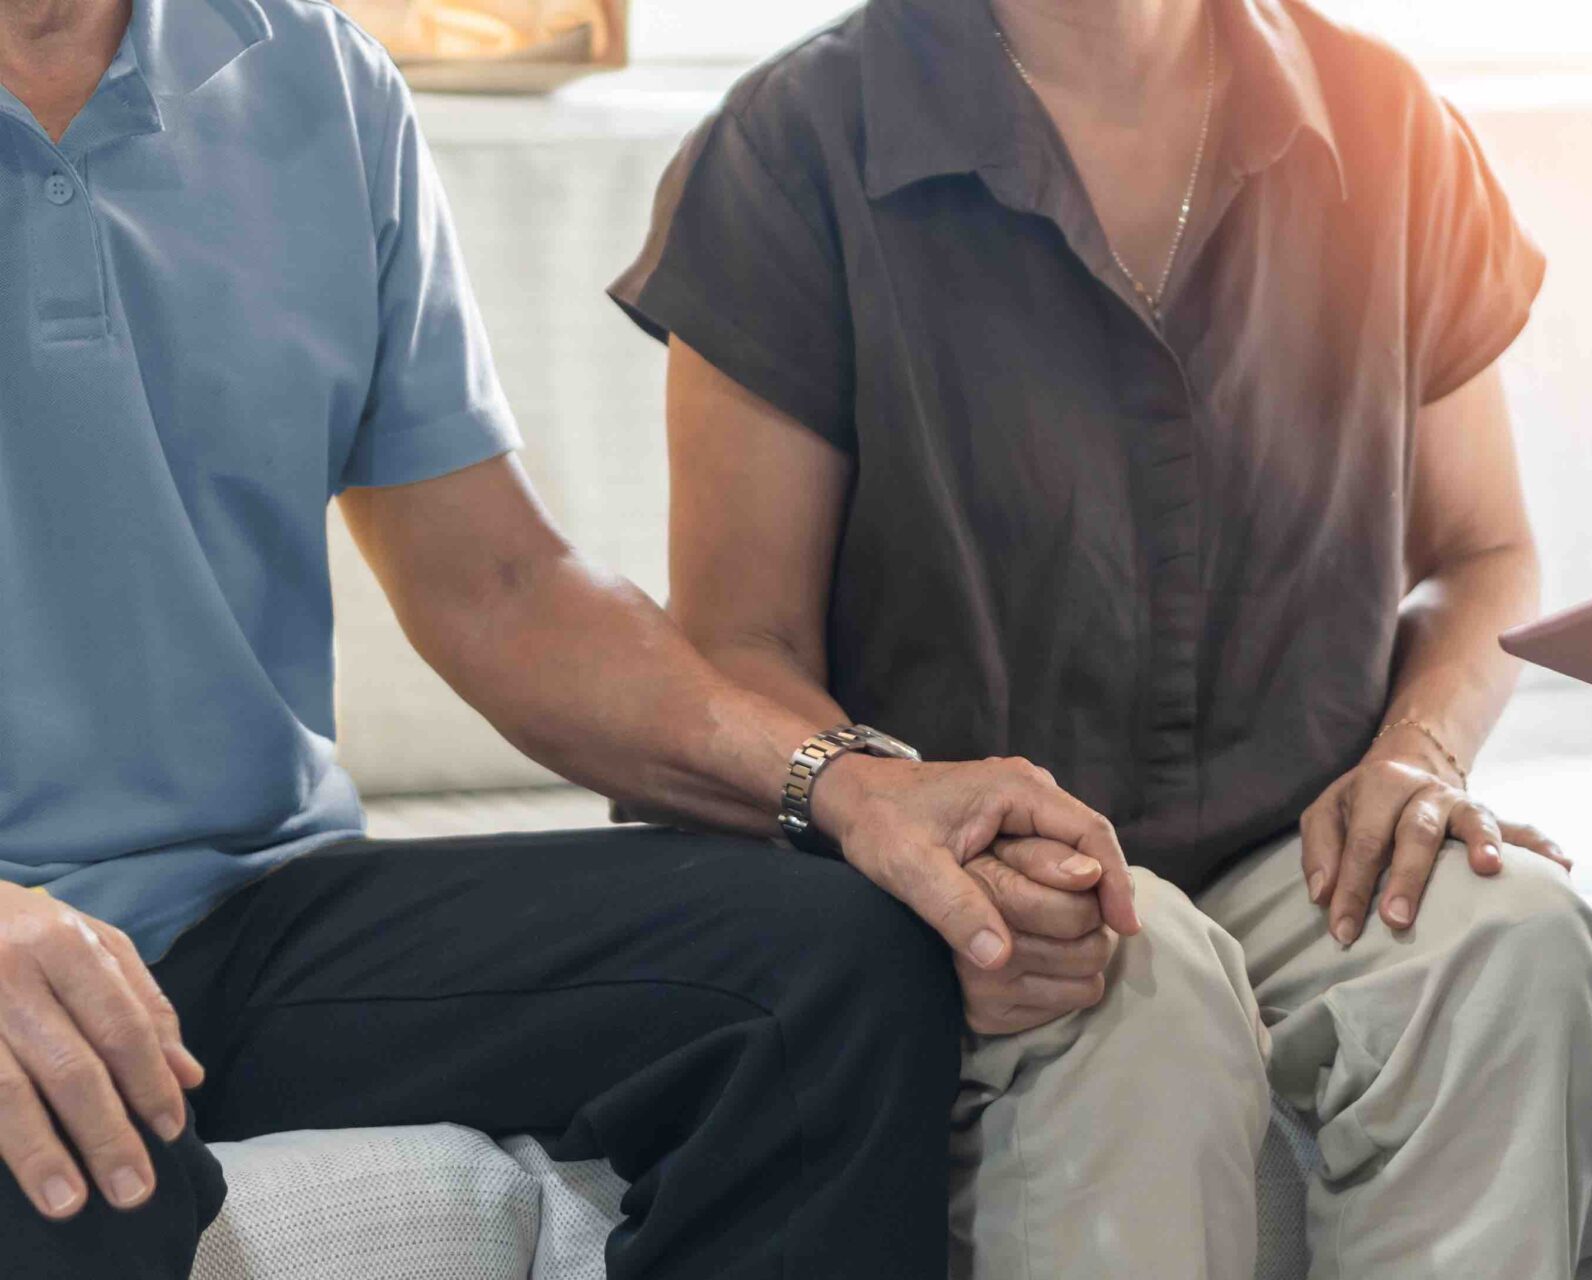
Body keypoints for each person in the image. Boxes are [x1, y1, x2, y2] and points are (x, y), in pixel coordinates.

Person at [0, 0, 1145, 1273]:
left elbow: (501, 585)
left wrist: (849, 787)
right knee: (72, 1164)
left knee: (833, 966)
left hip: (247, 914)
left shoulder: (314, 73)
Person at [607, 0, 1592, 1273]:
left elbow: (1486, 554)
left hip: (1302, 847)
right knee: (1145, 989)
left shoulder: (1391, 124)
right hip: (966, 870)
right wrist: (925, 828)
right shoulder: (794, 143)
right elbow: (738, 647)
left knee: (1516, 940)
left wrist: (1422, 754)